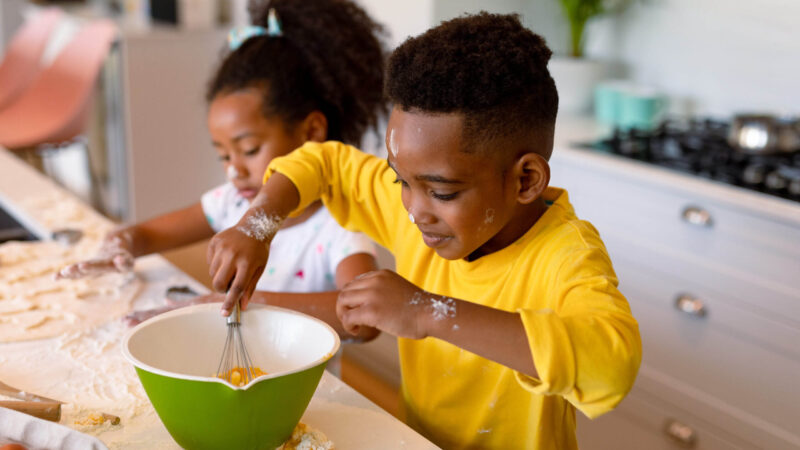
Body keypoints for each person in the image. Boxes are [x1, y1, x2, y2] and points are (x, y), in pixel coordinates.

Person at [205, 12, 642, 449]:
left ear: (525, 180)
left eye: (443, 193)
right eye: (400, 181)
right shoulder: (420, 208)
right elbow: (323, 163)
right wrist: (257, 224)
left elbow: (610, 365)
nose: (413, 210)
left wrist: (426, 312)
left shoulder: (565, 255)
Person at [56, 0, 387, 344]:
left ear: (312, 133)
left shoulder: (339, 225)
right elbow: (145, 235)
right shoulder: (232, 203)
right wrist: (118, 246)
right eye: (224, 155)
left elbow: (365, 321)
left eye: (249, 150)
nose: (234, 171)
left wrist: (249, 303)